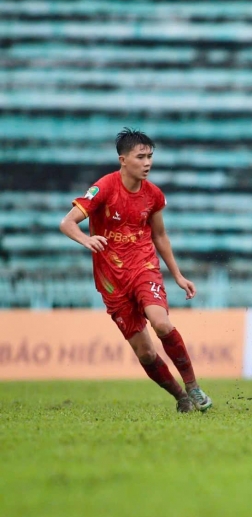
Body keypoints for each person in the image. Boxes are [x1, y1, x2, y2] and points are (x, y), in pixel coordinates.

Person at [59, 128, 211, 413]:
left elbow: (161, 236)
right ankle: (181, 397)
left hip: (144, 267)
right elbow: (67, 223)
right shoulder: (103, 188)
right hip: (111, 281)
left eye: (150, 156)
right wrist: (86, 238)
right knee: (145, 352)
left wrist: (178, 275)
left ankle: (193, 386)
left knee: (162, 323)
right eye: (141, 157)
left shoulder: (153, 194)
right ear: (123, 160)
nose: (147, 163)